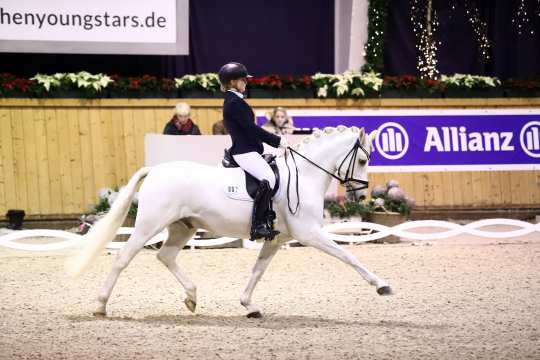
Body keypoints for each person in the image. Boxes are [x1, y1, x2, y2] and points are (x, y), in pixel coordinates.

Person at [219, 62, 288, 241]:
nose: (246, 82)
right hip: (244, 151)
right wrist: (277, 140)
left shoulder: (235, 100)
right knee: (269, 178)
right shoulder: (234, 102)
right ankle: (257, 225)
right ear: (233, 82)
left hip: (249, 149)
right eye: (243, 79)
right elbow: (252, 129)